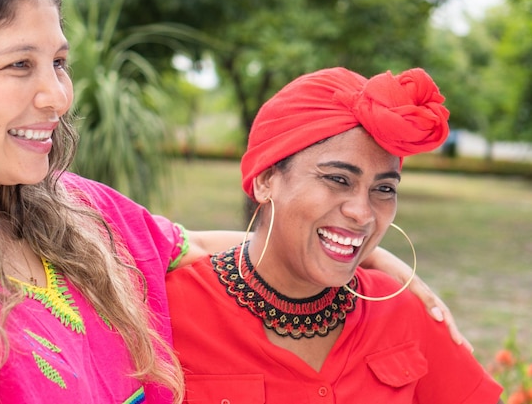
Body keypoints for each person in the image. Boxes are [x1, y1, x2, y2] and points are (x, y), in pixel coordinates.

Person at [0, 0, 469, 403]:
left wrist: (378, 253)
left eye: (58, 63)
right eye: (19, 65)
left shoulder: (85, 214)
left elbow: (196, 243)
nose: (56, 95)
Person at [166, 67, 504, 403]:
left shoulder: (403, 310)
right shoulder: (165, 313)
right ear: (266, 180)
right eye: (338, 179)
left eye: (384, 188)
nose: (363, 212)